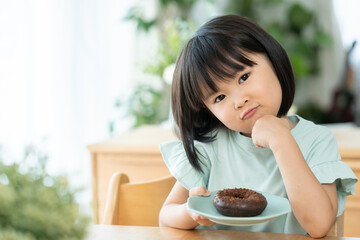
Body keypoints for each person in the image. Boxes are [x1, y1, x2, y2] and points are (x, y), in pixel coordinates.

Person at [158, 15, 358, 238]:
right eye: (219, 97)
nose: (238, 101)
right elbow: (166, 215)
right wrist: (191, 212)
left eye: (244, 77)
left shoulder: (316, 141)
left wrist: (281, 141)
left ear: (272, 59)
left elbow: (319, 224)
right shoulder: (211, 147)